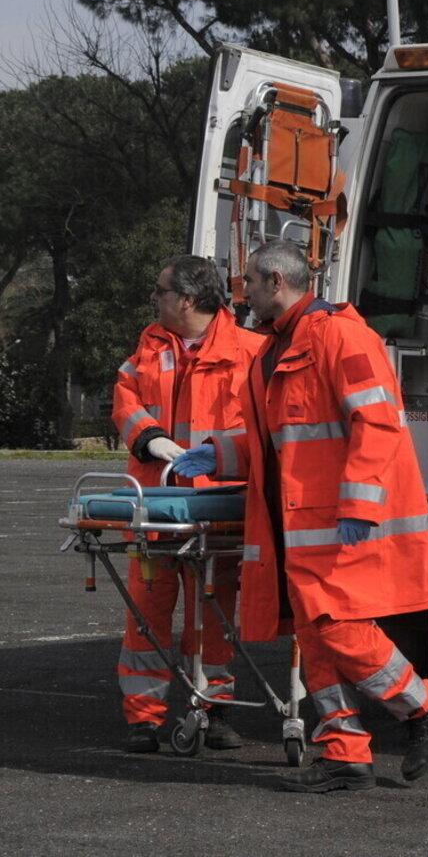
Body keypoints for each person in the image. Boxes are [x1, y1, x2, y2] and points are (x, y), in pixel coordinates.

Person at [173, 239, 428, 793]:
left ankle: (426, 708)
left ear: (277, 282)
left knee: (338, 629)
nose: (244, 294)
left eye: (250, 283)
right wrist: (221, 452)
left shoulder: (340, 335)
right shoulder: (274, 350)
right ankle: (344, 755)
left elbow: (376, 422)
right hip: (299, 530)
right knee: (315, 637)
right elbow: (276, 442)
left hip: (337, 523)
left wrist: (358, 504)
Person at [112, 254, 263, 753]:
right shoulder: (151, 343)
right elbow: (125, 399)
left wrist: (215, 458)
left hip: (216, 509)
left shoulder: (251, 352)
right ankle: (143, 719)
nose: (153, 298)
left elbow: (263, 430)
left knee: (212, 618)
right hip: (153, 506)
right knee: (145, 616)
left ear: (189, 299)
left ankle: (212, 709)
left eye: (160, 290)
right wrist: (151, 439)